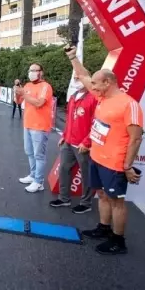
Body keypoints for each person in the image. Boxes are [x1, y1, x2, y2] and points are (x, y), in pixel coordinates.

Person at [66, 46, 143, 255]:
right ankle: (103, 228)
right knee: (101, 195)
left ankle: (118, 241)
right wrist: (72, 57)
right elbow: (83, 75)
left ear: (107, 83)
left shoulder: (129, 104)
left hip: (115, 164)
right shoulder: (102, 98)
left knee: (117, 202)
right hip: (97, 159)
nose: (93, 88)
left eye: (96, 84)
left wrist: (127, 166)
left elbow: (136, 138)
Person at [50, 76, 96, 213]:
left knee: (86, 174)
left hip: (83, 144)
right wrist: (64, 136)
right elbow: (69, 120)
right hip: (69, 142)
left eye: (79, 78)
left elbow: (96, 123)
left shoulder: (93, 98)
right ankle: (64, 198)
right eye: (74, 78)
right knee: (64, 168)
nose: (76, 80)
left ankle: (86, 203)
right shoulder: (73, 96)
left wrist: (87, 141)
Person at [19, 63, 53, 193]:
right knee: (29, 152)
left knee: (39, 155)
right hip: (27, 124)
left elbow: (39, 103)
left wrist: (24, 94)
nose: (31, 72)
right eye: (30, 70)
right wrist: (18, 94)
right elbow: (19, 101)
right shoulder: (27, 85)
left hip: (40, 126)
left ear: (41, 72)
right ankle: (33, 175)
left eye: (35, 70)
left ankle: (39, 182)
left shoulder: (45, 86)